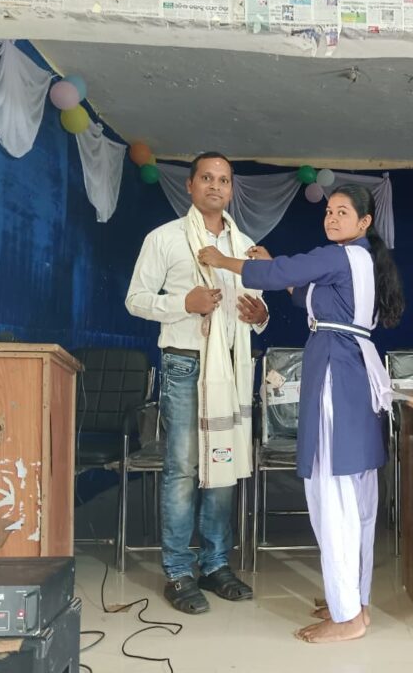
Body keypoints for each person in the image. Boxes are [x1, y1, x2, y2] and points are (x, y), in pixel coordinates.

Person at [198, 184, 404, 643]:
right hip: (355, 371)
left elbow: (282, 275)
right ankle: (353, 600)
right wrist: (274, 264)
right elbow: (303, 292)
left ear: (364, 222)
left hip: (336, 371)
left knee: (332, 494)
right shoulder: (362, 262)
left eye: (343, 212)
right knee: (358, 496)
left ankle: (348, 617)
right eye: (328, 211)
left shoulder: (338, 256)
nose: (332, 218)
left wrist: (224, 261)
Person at [125, 152, 269, 614]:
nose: (215, 186)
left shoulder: (244, 245)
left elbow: (255, 307)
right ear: (190, 186)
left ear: (231, 189)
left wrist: (261, 315)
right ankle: (178, 571)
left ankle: (215, 564)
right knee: (184, 469)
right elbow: (135, 300)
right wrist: (183, 303)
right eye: (206, 178)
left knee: (222, 465)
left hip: (231, 368)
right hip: (185, 364)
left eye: (223, 180)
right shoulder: (164, 238)